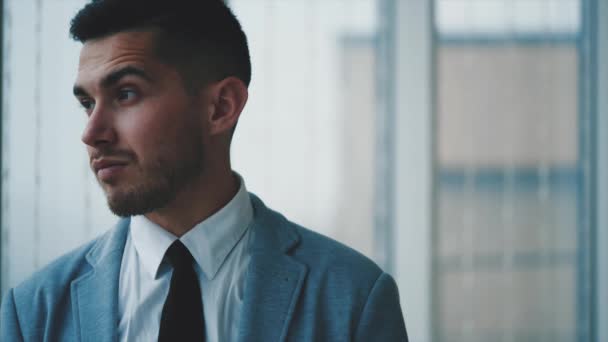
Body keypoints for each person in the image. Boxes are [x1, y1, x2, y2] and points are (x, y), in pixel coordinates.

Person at [0, 0, 408, 341]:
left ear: (221, 107)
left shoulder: (353, 299)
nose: (91, 133)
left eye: (125, 94)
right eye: (87, 104)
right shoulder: (33, 312)